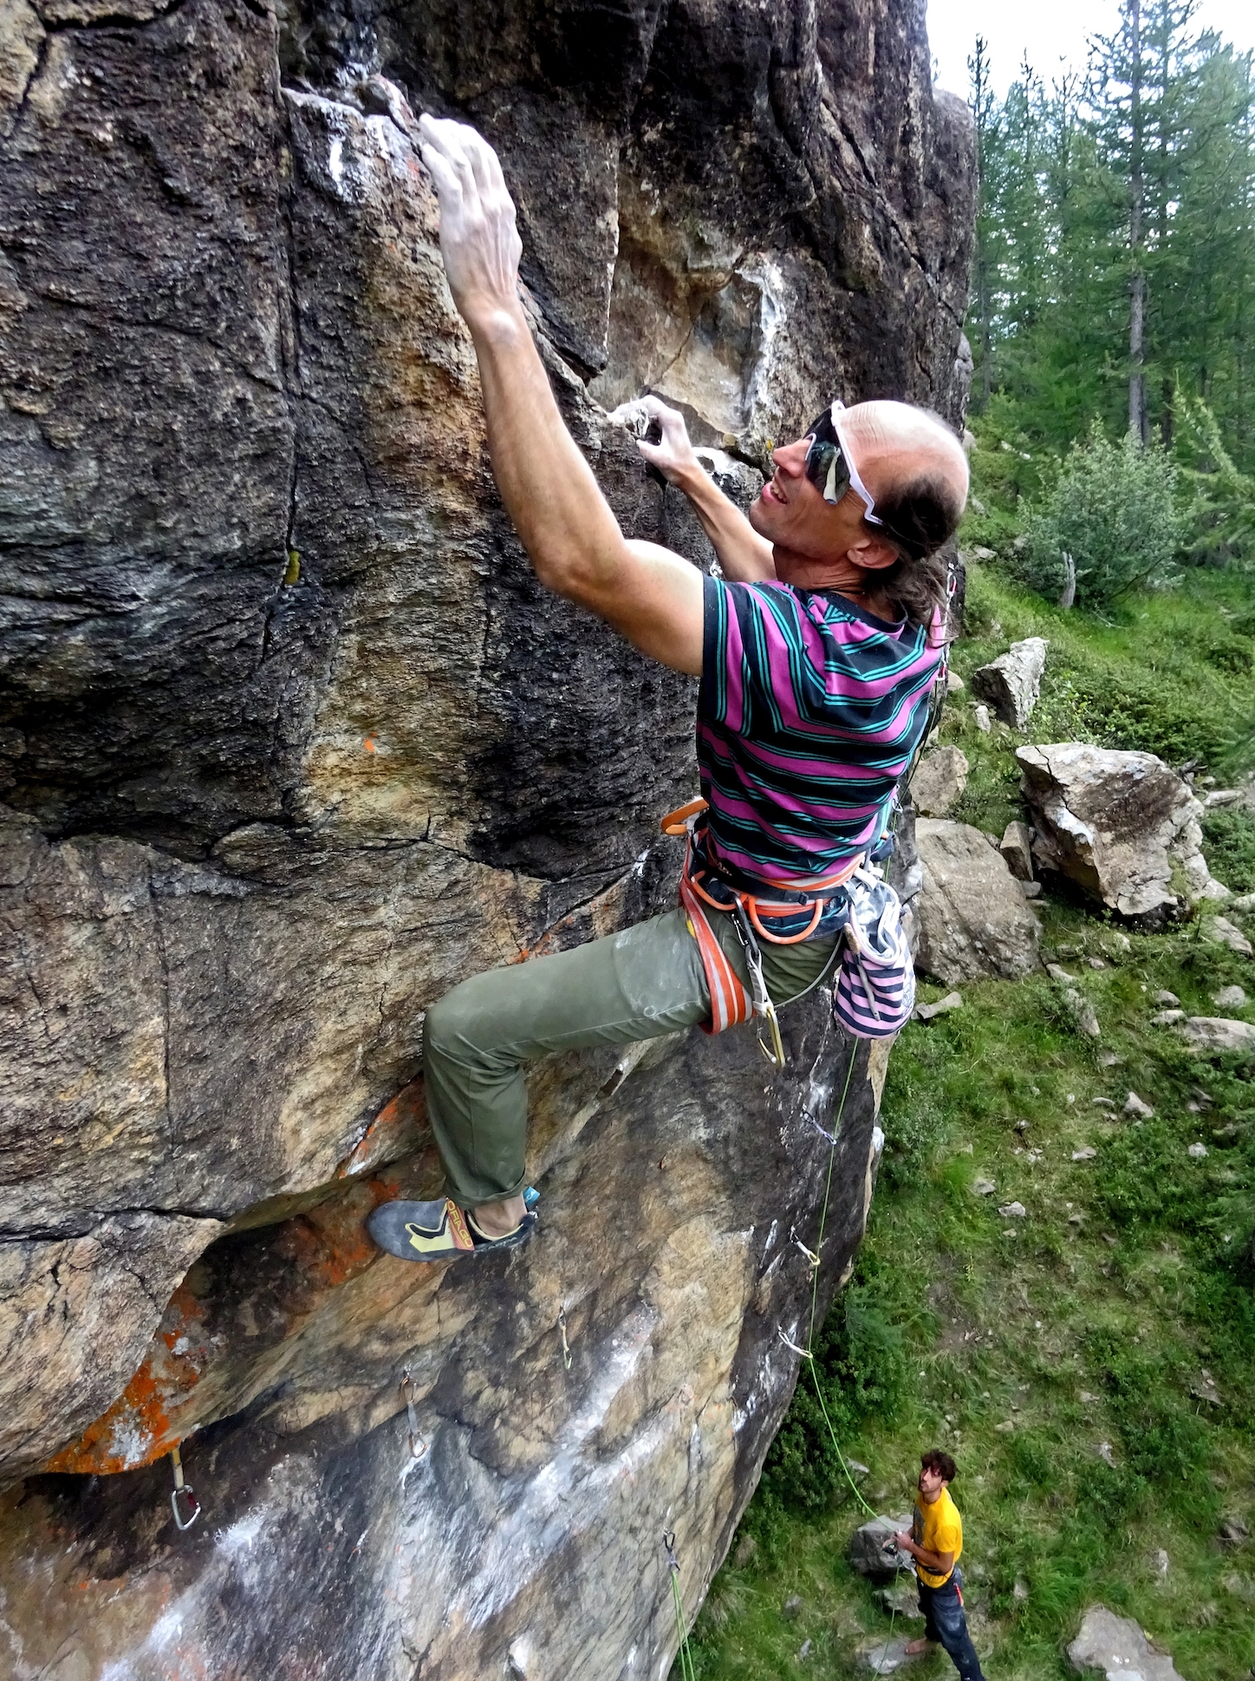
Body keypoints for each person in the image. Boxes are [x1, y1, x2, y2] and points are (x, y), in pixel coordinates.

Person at [367, 116, 970, 1263]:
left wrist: (493, 306)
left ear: (874, 546)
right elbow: (784, 585)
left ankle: (493, 1210)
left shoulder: (817, 656)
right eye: (812, 429)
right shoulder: (906, 615)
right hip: (797, 882)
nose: (790, 455)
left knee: (467, 1030)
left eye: (828, 468)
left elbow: (584, 563)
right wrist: (693, 468)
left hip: (749, 938)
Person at [896, 1450, 986, 1681]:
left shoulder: (947, 1522)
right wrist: (905, 1537)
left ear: (944, 1482)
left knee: (956, 1639)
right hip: (924, 1578)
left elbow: (945, 1565)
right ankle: (931, 1639)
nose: (924, 1476)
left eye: (934, 1474)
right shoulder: (925, 1495)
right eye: (925, 1469)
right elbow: (920, 1524)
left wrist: (909, 1546)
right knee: (928, 1610)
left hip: (943, 1584)